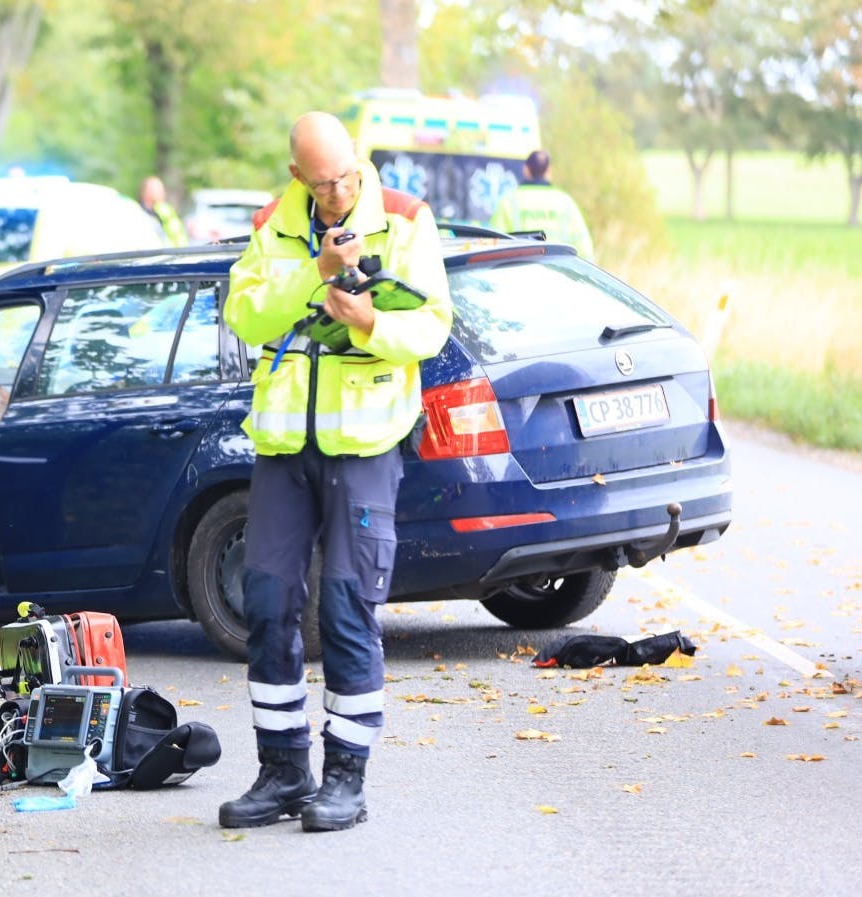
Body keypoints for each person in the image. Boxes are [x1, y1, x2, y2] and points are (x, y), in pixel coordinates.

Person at [219, 111, 452, 833]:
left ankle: (345, 779)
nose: (338, 192)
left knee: (347, 607)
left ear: (360, 162)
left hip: (365, 444)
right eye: (322, 183)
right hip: (286, 448)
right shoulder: (272, 225)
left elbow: (433, 326)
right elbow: (246, 317)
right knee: (263, 599)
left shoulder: (408, 220)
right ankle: (283, 770)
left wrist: (370, 324)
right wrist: (312, 276)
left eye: (347, 176)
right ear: (297, 176)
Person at [488, 149, 595, 261]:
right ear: (549, 171)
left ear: (526, 170)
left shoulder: (508, 201)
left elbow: (494, 244)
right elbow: (584, 248)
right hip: (558, 273)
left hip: (520, 272)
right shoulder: (565, 202)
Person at [139, 175, 188, 247]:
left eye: (161, 188)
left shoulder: (166, 210)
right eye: (155, 189)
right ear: (144, 191)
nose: (161, 191)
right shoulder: (137, 212)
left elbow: (177, 234)